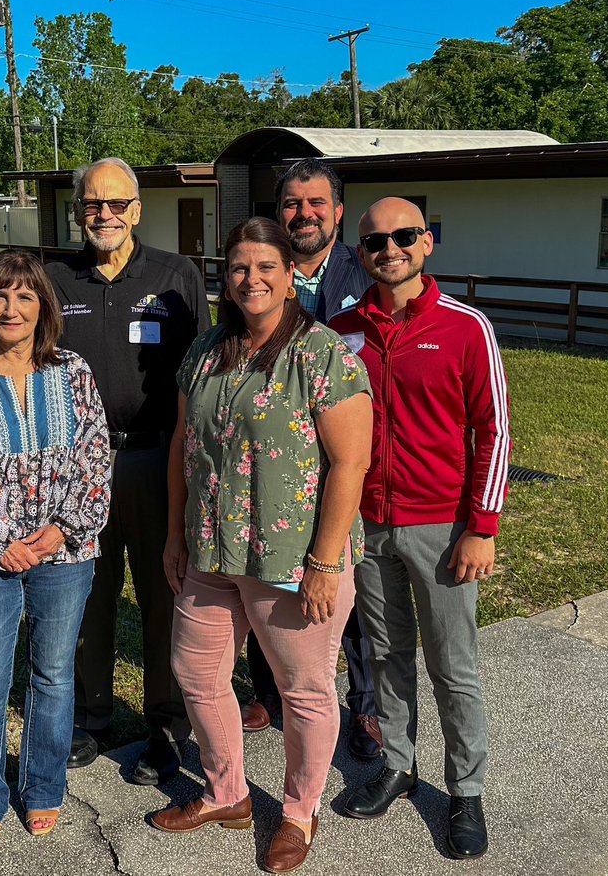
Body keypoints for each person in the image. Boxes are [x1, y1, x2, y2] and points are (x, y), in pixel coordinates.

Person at [151, 218, 372, 874]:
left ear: (289, 275)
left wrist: (327, 562)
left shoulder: (321, 353)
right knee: (196, 671)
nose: (252, 278)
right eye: (240, 267)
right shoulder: (207, 349)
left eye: (266, 267)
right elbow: (181, 446)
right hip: (211, 550)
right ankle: (227, 792)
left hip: (291, 558)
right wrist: (173, 532)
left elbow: (351, 462)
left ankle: (300, 811)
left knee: (303, 688)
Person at [330, 198, 510, 859]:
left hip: (442, 525)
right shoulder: (343, 330)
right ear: (362, 251)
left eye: (404, 236)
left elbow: (494, 428)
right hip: (368, 525)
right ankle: (399, 764)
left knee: (453, 665)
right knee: (386, 655)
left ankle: (465, 789)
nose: (390, 249)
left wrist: (481, 525)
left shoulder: (466, 327)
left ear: (427, 242)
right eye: (375, 241)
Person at [0, 250, 111, 847]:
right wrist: (1, 543)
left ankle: (44, 787)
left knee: (53, 676)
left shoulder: (74, 372)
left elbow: (94, 459)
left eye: (25, 296)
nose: (12, 308)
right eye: (0, 295)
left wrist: (61, 531)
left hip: (65, 553)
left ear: (43, 308)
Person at [46, 157, 210, 785]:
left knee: (165, 591)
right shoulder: (55, 278)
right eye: (92, 204)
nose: (104, 215)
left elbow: (204, 370)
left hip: (157, 458)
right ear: (78, 209)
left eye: (117, 204)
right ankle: (89, 717)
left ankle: (167, 723)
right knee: (86, 593)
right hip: (77, 465)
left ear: (138, 210)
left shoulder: (175, 276)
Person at [239, 159, 382, 764]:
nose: (304, 214)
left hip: (346, 458)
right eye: (292, 204)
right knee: (264, 579)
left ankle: (368, 708)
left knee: (352, 596)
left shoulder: (367, 274)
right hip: (271, 465)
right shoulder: (262, 274)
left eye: (316, 203)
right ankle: (269, 690)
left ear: (338, 211)